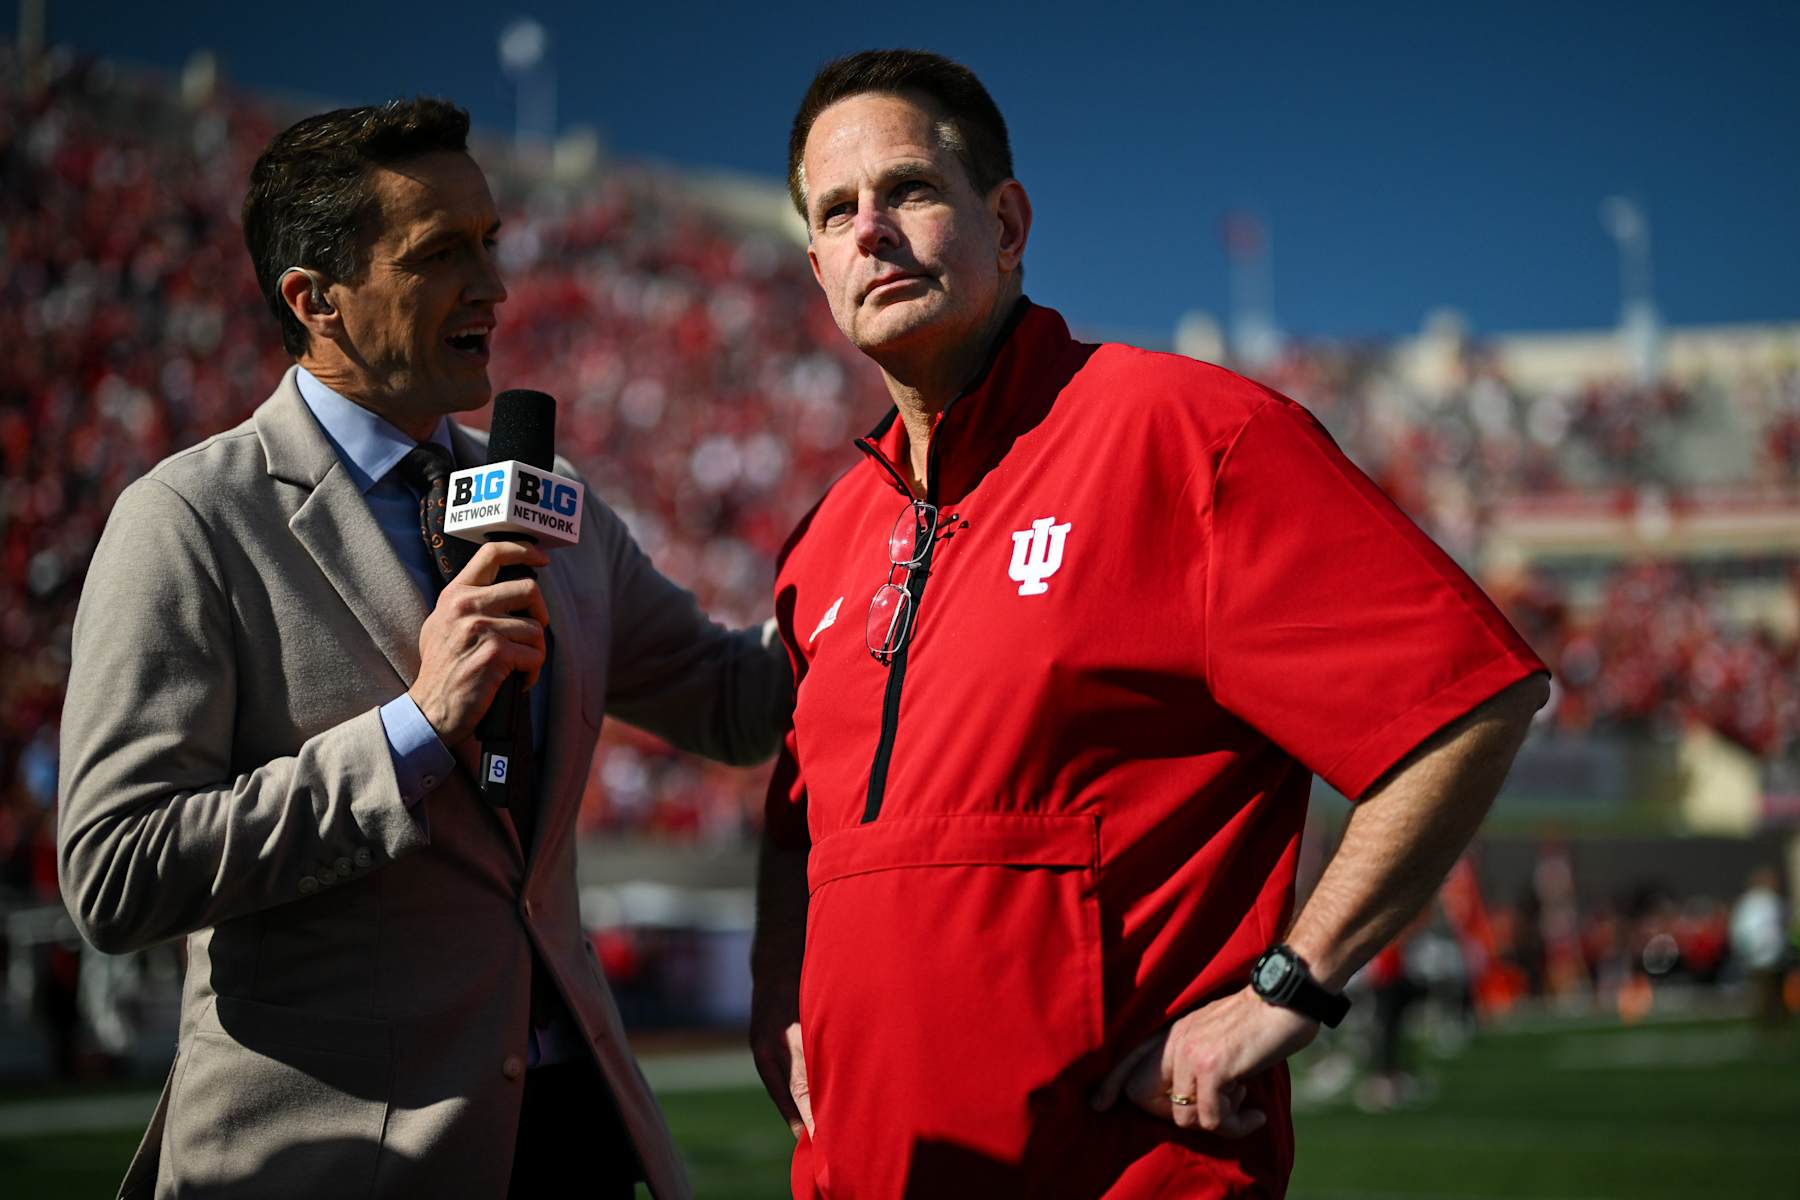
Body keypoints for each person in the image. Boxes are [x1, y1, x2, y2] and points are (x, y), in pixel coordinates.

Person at [749, 50, 1549, 1198]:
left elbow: (1466, 701)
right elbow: (800, 832)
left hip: (1119, 1172)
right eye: (836, 210)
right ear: (817, 261)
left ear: (1008, 221)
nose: (870, 229)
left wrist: (1293, 986)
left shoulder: (1189, 438)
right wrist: (782, 989)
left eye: (910, 189)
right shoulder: (821, 540)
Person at [58, 97, 790, 1200]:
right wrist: (414, 731)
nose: (494, 285)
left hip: (572, 1138)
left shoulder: (557, 503)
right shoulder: (190, 519)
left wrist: (883, 560)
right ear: (318, 302)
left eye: (491, 243)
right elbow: (114, 875)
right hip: (331, 1161)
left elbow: (734, 699)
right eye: (441, 254)